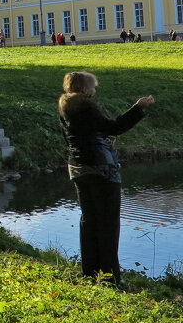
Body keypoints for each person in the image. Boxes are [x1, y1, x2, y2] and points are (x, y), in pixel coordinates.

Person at [58, 71, 154, 286]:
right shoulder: (87, 107)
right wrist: (138, 107)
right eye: (93, 87)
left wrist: (101, 136)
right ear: (84, 89)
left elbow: (79, 135)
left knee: (89, 220)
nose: (94, 90)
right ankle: (111, 278)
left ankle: (90, 273)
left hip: (77, 167)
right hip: (102, 169)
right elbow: (115, 127)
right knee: (108, 224)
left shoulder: (65, 107)